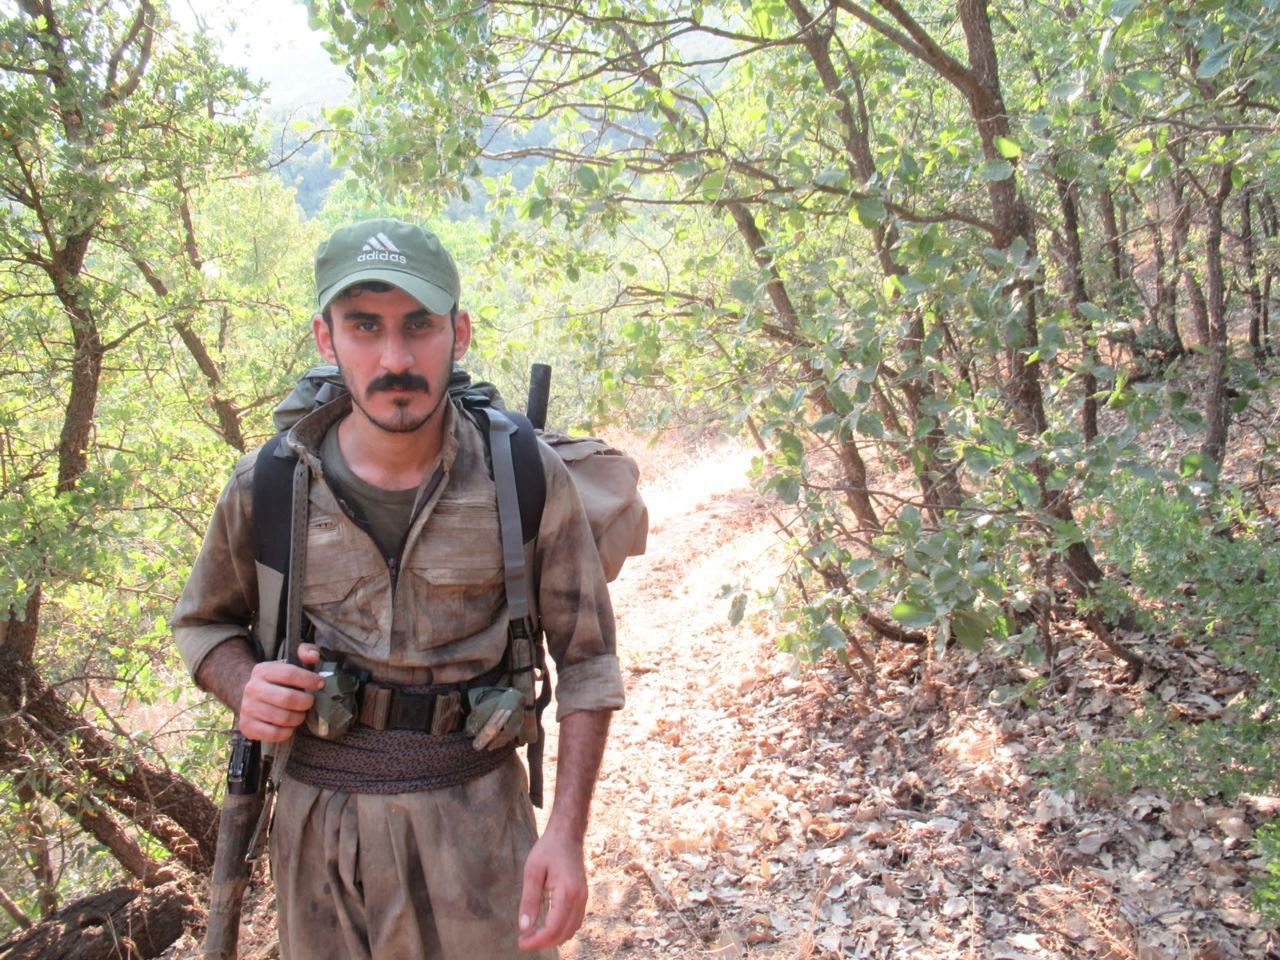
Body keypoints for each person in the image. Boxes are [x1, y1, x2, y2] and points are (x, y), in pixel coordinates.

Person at [172, 218, 624, 959]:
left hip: (480, 830)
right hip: (318, 846)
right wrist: (243, 682)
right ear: (326, 338)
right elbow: (203, 624)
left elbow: (588, 662)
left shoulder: (521, 476)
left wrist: (566, 836)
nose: (395, 358)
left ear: (459, 333)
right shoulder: (270, 486)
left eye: (419, 325)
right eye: (364, 326)